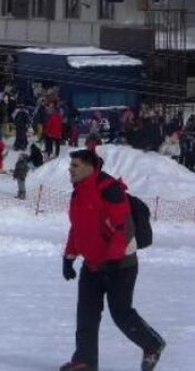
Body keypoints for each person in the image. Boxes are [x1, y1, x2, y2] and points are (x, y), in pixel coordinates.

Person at [59, 150, 165, 371]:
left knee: (121, 314)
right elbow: (77, 227)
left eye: (75, 165)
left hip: (120, 266)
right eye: (71, 165)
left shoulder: (111, 191)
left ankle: (152, 344)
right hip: (92, 265)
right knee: (86, 315)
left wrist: (114, 260)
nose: (70, 169)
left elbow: (122, 229)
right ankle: (85, 362)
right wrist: (69, 258)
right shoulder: (78, 193)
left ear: (90, 168)